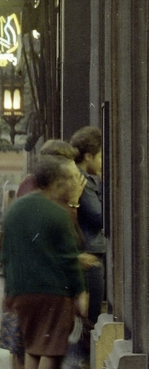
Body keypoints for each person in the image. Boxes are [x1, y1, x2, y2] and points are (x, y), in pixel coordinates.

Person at [0, 153, 88, 369]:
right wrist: (80, 293)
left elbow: (5, 254)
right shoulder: (57, 213)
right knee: (51, 349)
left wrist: (11, 291)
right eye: (72, 179)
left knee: (31, 349)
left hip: (21, 292)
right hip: (53, 291)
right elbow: (67, 259)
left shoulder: (15, 209)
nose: (76, 183)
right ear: (59, 183)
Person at [71, 125, 106, 326]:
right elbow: (98, 215)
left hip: (86, 246)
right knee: (91, 314)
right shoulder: (82, 179)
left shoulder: (79, 177)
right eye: (100, 157)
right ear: (89, 156)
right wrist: (102, 185)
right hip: (89, 249)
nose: (102, 163)